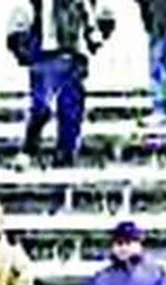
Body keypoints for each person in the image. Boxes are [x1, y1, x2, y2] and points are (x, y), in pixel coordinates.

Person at [7, 0, 112, 169]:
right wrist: (25, 51)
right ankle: (30, 149)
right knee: (42, 108)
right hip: (44, 58)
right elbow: (17, 27)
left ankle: (63, 157)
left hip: (72, 58)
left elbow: (100, 22)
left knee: (70, 111)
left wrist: (95, 36)